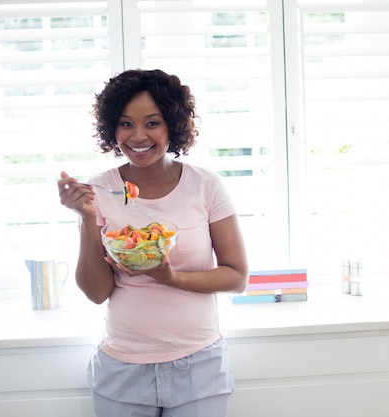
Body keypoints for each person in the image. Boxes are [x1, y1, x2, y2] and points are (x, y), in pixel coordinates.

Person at [57, 69, 249, 417]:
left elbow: (237, 277)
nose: (138, 136)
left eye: (152, 123)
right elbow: (97, 292)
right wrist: (86, 218)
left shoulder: (206, 185)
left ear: (172, 126)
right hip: (122, 369)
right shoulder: (99, 190)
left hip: (200, 366)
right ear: (111, 128)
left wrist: (170, 277)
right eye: (126, 124)